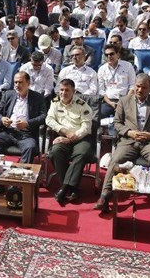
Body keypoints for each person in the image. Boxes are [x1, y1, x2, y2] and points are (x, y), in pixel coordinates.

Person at [96, 74, 150, 216]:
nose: (140, 90)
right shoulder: (124, 101)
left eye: (144, 87)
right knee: (116, 159)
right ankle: (104, 196)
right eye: (138, 86)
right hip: (129, 141)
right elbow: (117, 123)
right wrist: (129, 132)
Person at [0, 71, 46, 194]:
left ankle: (16, 183)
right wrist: (2, 119)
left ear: (28, 83)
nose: (17, 85)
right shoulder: (8, 94)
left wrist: (27, 123)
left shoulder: (37, 97)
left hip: (26, 134)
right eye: (15, 82)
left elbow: (43, 116)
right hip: (8, 132)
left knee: (30, 148)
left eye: (20, 82)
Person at [46, 78, 95, 206]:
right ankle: (72, 188)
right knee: (55, 151)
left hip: (81, 138)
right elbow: (49, 120)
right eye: (61, 90)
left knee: (82, 154)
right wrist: (63, 130)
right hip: (63, 136)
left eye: (67, 90)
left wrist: (70, 138)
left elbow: (86, 128)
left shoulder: (82, 105)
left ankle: (63, 188)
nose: (63, 93)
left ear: (74, 91)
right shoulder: (55, 102)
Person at [97, 44, 136, 118]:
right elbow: (101, 90)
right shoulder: (102, 69)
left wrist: (124, 102)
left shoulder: (128, 66)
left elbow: (132, 86)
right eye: (106, 55)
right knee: (100, 115)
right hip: (109, 102)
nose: (109, 56)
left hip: (126, 100)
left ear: (118, 55)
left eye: (111, 54)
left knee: (130, 117)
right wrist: (110, 103)